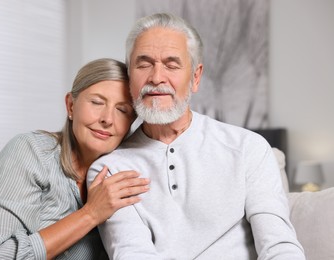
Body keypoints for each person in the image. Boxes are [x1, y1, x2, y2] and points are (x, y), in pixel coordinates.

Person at [87, 13, 306, 259]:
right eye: (144, 64)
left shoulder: (248, 148)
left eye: (171, 65)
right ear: (129, 78)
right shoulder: (110, 170)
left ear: (196, 77)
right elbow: (132, 254)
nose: (157, 78)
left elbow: (279, 247)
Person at [0, 58, 150, 259]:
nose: (107, 119)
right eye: (97, 102)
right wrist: (91, 214)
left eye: (122, 110)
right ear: (70, 106)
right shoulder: (29, 151)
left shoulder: (118, 181)